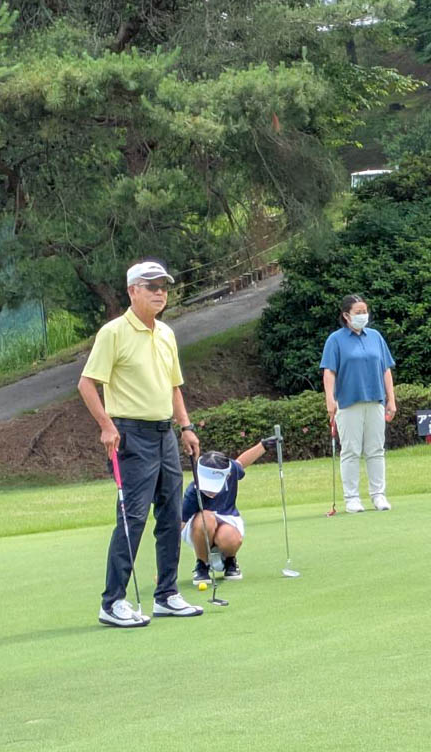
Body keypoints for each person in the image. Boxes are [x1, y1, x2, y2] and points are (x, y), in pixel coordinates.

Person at [78, 259, 204, 628]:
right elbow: (86, 383)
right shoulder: (114, 332)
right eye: (151, 287)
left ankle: (166, 595)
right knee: (132, 518)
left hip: (165, 435)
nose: (160, 293)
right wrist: (106, 426)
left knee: (171, 516)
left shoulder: (166, 333)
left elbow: (173, 387)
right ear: (132, 291)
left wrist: (186, 426)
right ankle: (112, 601)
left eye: (163, 286)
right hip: (130, 436)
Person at [320, 294, 397, 513]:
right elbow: (329, 372)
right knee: (351, 451)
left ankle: (378, 495)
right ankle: (352, 498)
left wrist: (391, 399)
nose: (363, 315)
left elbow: (385, 369)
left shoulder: (375, 337)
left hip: (375, 400)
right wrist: (330, 400)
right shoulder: (335, 340)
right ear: (346, 315)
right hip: (348, 402)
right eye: (358, 312)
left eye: (365, 311)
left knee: (376, 449)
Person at [182, 439, 278, 583]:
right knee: (206, 518)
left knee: (228, 536)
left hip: (228, 518)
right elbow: (180, 524)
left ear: (226, 475)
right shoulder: (193, 491)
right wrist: (166, 569)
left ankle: (230, 561)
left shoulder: (230, 470)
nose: (210, 491)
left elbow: (240, 463)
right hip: (199, 529)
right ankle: (202, 564)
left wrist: (263, 445)